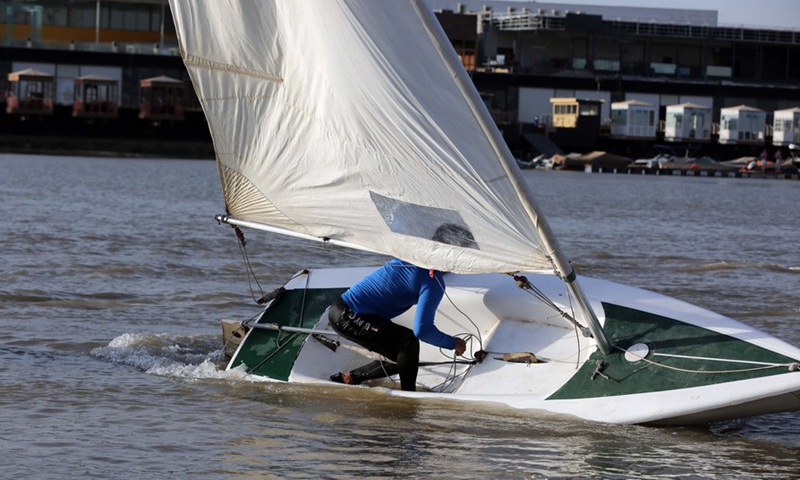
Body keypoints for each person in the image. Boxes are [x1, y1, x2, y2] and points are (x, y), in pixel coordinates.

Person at [327, 224, 474, 391]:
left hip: (342, 309)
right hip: (350, 315)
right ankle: (408, 398)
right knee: (408, 342)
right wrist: (453, 342)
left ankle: (350, 377)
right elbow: (423, 330)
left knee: (405, 357)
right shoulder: (433, 282)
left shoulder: (409, 255)